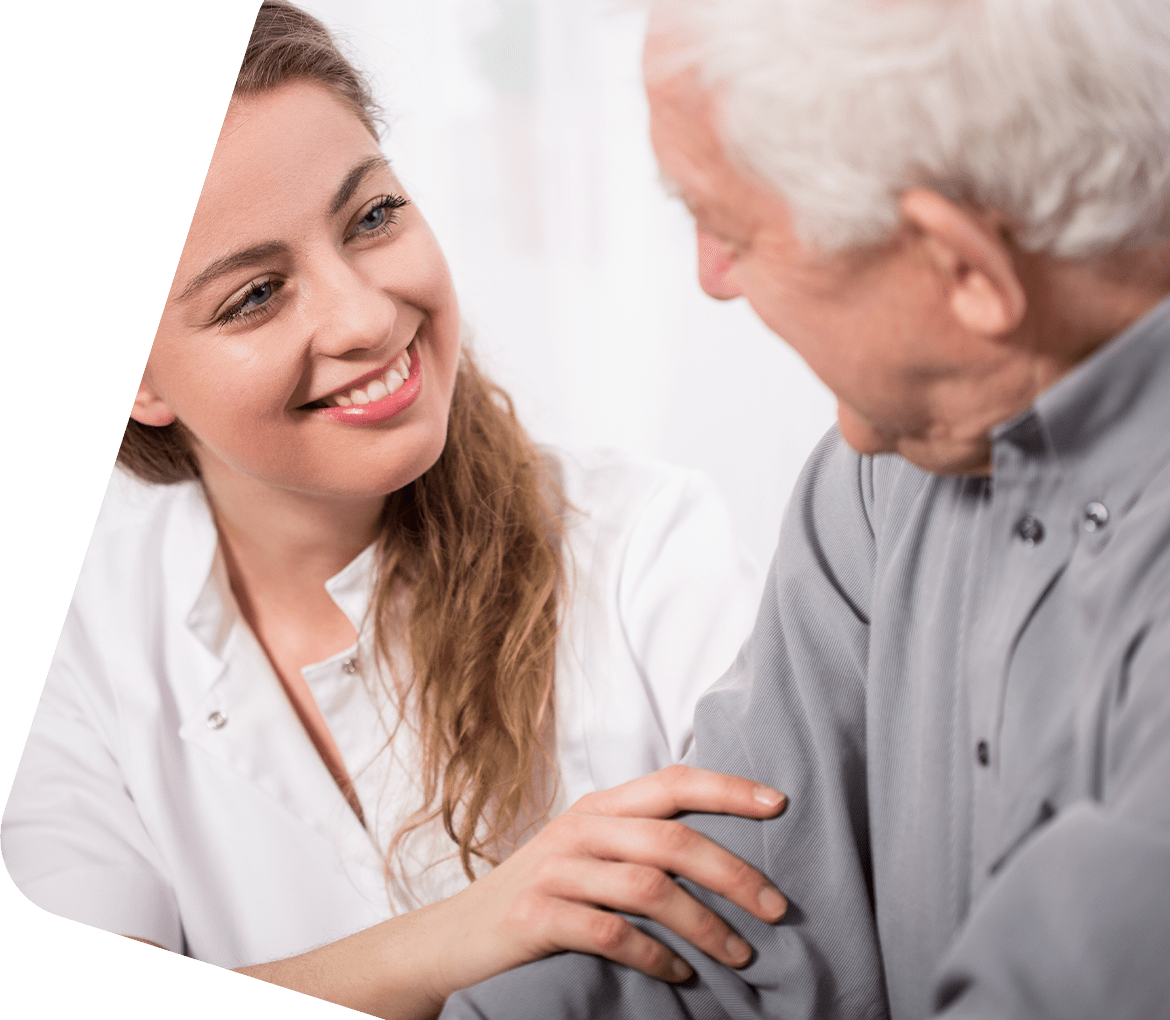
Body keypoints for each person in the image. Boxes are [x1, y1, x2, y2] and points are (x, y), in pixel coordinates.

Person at [0, 3, 793, 1018]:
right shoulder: (77, 657)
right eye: (254, 296)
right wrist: (469, 932)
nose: (369, 316)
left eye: (372, 217)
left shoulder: (648, 546)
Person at [438, 1, 1170, 1018]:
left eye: (730, 226)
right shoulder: (882, 474)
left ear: (963, 269)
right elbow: (708, 915)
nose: (711, 277)